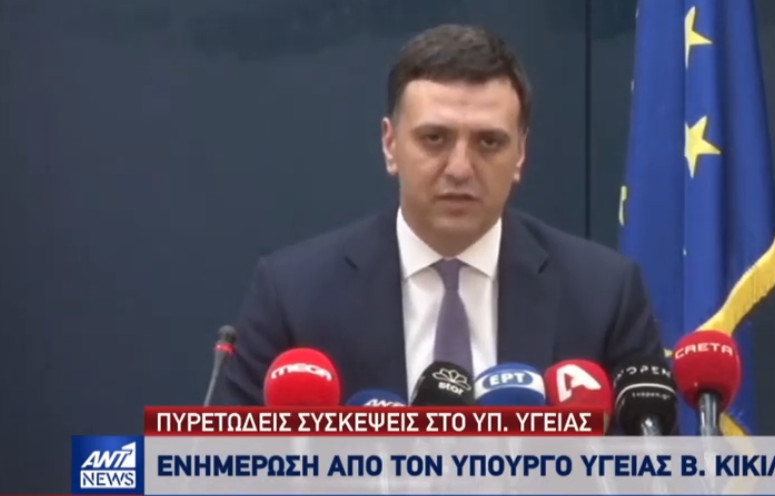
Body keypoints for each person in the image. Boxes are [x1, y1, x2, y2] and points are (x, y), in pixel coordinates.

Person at [216, 23, 664, 406]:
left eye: (489, 142)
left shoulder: (603, 295)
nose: (460, 168)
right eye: (435, 138)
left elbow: (654, 464)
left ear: (521, 154)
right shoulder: (294, 297)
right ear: (391, 145)